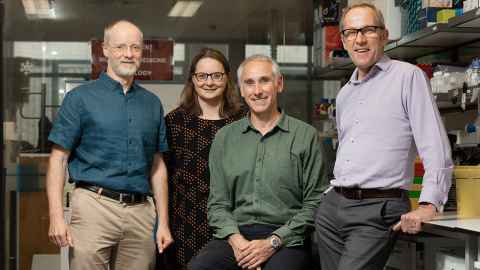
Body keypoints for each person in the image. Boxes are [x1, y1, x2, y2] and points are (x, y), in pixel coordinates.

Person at [314, 3, 453, 270]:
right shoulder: (345, 94)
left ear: (384, 35)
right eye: (351, 32)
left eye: (368, 30)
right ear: (343, 40)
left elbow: (434, 145)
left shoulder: (408, 77)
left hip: (377, 208)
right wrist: (327, 202)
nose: (360, 39)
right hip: (333, 209)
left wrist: (429, 203)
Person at [46, 20, 173, 270]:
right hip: (94, 206)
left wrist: (164, 222)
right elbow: (57, 159)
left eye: (135, 48)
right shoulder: (79, 99)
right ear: (104, 49)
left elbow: (157, 167)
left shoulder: (152, 104)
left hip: (140, 213)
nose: (128, 54)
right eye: (121, 47)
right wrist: (56, 216)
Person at [188, 54, 325, 270]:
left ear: (279, 84)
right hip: (237, 235)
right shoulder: (225, 138)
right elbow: (218, 204)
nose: (257, 90)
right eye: (249, 83)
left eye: (264, 80)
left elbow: (314, 203)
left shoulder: (305, 135)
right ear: (241, 90)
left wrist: (272, 242)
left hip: (287, 238)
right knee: (200, 267)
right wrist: (239, 243)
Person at [161, 48, 244, 269]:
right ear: (193, 80)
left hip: (235, 221)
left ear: (227, 78)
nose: (209, 82)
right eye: (202, 76)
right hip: (184, 222)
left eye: (217, 75)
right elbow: (163, 178)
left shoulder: (244, 120)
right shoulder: (174, 122)